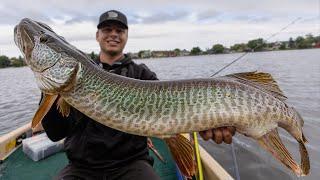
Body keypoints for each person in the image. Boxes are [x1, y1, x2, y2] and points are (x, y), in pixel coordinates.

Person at [41, 10, 235, 180]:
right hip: (81, 167)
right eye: (107, 29)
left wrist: (213, 119)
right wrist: (49, 90)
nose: (113, 35)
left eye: (120, 30)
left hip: (131, 164)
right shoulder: (76, 71)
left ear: (126, 36)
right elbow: (55, 133)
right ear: (97, 35)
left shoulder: (142, 75)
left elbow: (171, 110)